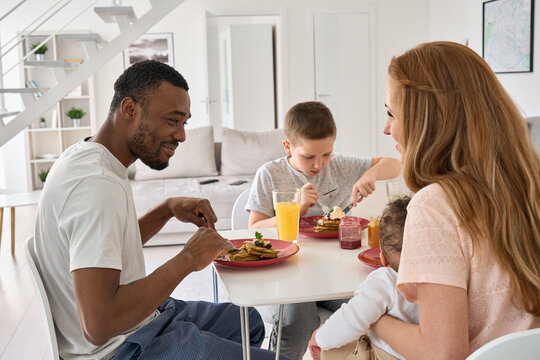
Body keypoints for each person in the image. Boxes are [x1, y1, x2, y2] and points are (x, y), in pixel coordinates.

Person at [33, 60, 288, 360]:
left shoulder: (89, 157)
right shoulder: (96, 185)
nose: (181, 136)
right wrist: (188, 258)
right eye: (172, 120)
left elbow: (107, 248)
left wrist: (166, 209)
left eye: (184, 123)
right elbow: (100, 324)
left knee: (248, 323)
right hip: (121, 348)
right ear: (129, 110)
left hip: (138, 323)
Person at [369, 41, 540, 359]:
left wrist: (374, 318)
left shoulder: (434, 206)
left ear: (427, 120)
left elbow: (442, 355)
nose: (387, 128)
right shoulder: (531, 185)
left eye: (392, 113)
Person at [245, 101, 402, 359]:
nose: (319, 165)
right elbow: (254, 228)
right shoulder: (270, 174)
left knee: (368, 307)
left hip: (334, 271)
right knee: (299, 322)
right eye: (308, 157)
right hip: (287, 274)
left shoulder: (340, 166)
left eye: (326, 154)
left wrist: (369, 175)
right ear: (287, 146)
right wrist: (294, 209)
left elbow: (393, 163)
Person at [307, 196, 417, 360]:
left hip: (385, 355)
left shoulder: (385, 280)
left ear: (382, 258)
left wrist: (319, 337)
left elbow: (349, 319)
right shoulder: (442, 280)